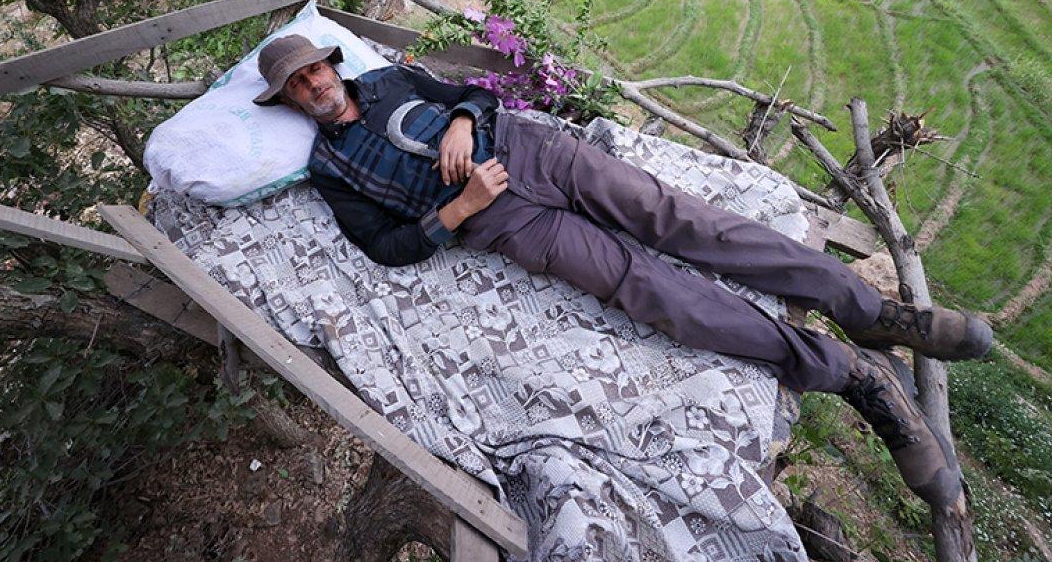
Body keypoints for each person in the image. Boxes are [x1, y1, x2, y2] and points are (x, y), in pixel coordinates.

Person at [252, 33, 993, 509]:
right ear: (289, 99)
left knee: (688, 222)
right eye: (298, 84)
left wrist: (462, 121)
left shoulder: (387, 79)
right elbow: (384, 247)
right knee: (654, 292)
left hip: (537, 150)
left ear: (332, 66)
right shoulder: (330, 168)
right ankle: (853, 374)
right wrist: (456, 211)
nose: (314, 84)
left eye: (316, 68)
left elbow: (473, 91)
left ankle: (868, 310)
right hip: (504, 219)